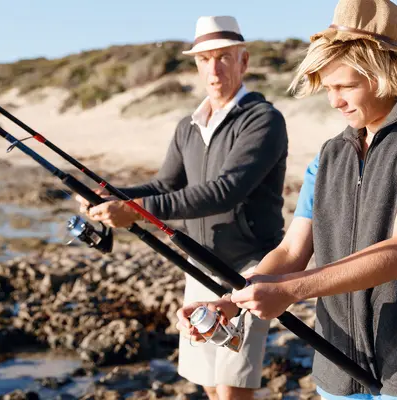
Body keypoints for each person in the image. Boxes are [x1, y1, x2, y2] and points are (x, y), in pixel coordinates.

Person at [176, 1, 397, 399]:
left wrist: (291, 291)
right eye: (327, 88)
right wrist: (231, 302)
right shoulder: (330, 154)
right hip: (336, 366)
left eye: (345, 86)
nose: (334, 101)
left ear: (382, 73)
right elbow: (290, 251)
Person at [76, 15, 289, 400]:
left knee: (234, 384)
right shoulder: (187, 125)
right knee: (206, 377)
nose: (214, 68)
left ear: (244, 61)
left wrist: (137, 210)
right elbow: (164, 185)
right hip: (198, 261)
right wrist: (109, 194)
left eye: (224, 57)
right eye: (205, 59)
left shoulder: (264, 120)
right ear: (195, 65)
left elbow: (225, 191)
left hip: (250, 266)